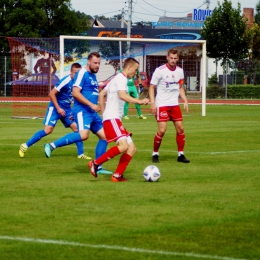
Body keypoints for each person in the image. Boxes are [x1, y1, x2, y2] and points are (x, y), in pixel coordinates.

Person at [44, 52, 111, 174]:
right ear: (88, 62)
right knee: (83, 135)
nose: (97, 65)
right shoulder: (82, 73)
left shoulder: (92, 75)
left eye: (99, 63)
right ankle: (52, 145)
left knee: (105, 137)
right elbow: (75, 93)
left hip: (91, 112)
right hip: (83, 111)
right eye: (95, 63)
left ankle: (97, 166)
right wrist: (91, 104)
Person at [88, 58, 149, 182]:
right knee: (123, 146)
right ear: (129, 68)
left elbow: (101, 94)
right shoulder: (121, 79)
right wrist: (139, 101)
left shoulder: (116, 78)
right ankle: (95, 163)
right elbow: (122, 95)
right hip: (113, 119)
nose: (136, 73)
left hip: (112, 118)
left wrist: (104, 114)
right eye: (136, 70)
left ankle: (117, 175)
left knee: (131, 148)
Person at [19, 63, 91, 160]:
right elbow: (51, 94)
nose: (77, 75)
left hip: (67, 109)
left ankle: (80, 154)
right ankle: (25, 145)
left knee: (77, 129)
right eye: (75, 73)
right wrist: (58, 109)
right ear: (70, 72)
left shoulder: (78, 83)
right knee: (48, 130)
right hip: (55, 108)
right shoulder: (65, 81)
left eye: (78, 73)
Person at [149, 48, 190, 163]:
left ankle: (180, 155)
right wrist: (153, 103)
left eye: (175, 58)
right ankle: (155, 153)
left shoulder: (180, 71)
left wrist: (185, 100)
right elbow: (152, 87)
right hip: (162, 104)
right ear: (167, 57)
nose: (172, 60)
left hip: (174, 104)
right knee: (162, 130)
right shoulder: (159, 70)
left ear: (177, 59)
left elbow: (180, 87)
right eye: (171, 58)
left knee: (180, 128)